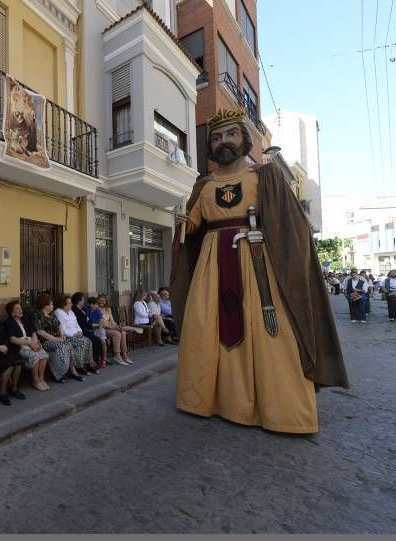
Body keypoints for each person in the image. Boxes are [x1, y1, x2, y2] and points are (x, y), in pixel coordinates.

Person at [171, 107, 348, 434]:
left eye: (230, 134)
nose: (223, 141)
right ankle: (206, 400)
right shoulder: (205, 185)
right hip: (212, 270)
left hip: (257, 266)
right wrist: (185, 223)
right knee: (205, 329)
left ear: (245, 139)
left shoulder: (265, 177)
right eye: (216, 137)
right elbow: (194, 223)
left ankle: (281, 412)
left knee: (271, 333)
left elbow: (289, 223)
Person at [30, 294, 81, 382]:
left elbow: (59, 324)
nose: (53, 306)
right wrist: (56, 339)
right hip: (45, 341)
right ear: (45, 305)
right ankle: (59, 374)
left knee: (68, 344)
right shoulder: (37, 314)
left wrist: (62, 335)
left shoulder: (51, 313)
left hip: (57, 338)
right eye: (51, 304)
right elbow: (40, 332)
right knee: (62, 347)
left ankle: (72, 370)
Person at [3, 301, 49, 391]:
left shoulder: (25, 319)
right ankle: (35, 381)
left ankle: (41, 379)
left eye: (20, 308)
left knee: (43, 354)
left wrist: (34, 343)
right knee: (35, 356)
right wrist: (30, 343)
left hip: (31, 344)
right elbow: (13, 339)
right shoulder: (8, 322)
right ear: (12, 312)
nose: (20, 310)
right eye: (17, 309)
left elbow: (33, 332)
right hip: (19, 347)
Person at [53, 295, 98, 376]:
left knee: (88, 341)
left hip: (77, 334)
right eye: (69, 303)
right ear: (63, 304)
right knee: (82, 342)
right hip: (68, 336)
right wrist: (73, 334)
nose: (71, 305)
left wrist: (80, 331)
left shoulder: (71, 312)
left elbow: (76, 324)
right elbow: (62, 329)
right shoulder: (58, 312)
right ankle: (79, 366)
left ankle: (89, 364)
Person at [95, 294, 137, 365]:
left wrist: (117, 326)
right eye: (100, 300)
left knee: (122, 332)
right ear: (97, 300)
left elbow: (112, 321)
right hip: (102, 329)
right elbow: (102, 323)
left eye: (103, 301)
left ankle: (124, 355)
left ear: (106, 301)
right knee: (117, 334)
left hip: (111, 327)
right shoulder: (96, 309)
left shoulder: (108, 309)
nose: (102, 302)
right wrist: (114, 327)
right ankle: (117, 355)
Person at [72, 293, 105, 368]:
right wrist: (96, 325)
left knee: (98, 339)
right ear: (79, 301)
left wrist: (99, 323)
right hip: (83, 330)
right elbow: (84, 323)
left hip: (88, 328)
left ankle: (97, 359)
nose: (84, 301)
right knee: (95, 340)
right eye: (83, 299)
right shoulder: (75, 310)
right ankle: (93, 361)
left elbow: (93, 307)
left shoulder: (82, 308)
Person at [84, 297, 109, 367]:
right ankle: (97, 358)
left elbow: (102, 320)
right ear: (89, 304)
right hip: (90, 329)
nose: (95, 306)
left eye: (96, 304)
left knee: (103, 341)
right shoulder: (86, 309)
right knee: (95, 341)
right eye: (93, 304)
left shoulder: (97, 311)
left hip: (98, 328)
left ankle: (104, 358)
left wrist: (99, 329)